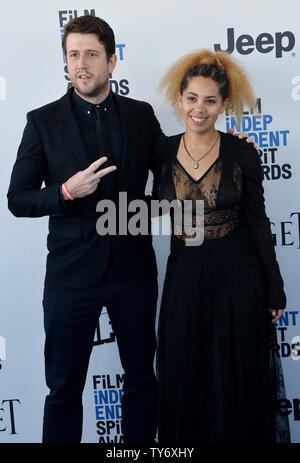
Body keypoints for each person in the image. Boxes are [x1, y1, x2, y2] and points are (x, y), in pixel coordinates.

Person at [7, 16, 255, 443]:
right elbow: (17, 199)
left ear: (112, 61)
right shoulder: (42, 122)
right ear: (65, 62)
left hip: (133, 274)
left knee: (142, 380)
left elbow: (178, 164)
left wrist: (227, 149)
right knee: (63, 389)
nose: (81, 64)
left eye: (91, 54)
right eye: (73, 55)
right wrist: (66, 189)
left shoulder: (140, 116)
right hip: (71, 277)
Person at [156, 49, 290, 443]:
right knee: (185, 374)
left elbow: (257, 222)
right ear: (179, 100)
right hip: (183, 279)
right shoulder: (159, 151)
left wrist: (274, 286)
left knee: (236, 376)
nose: (200, 109)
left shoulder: (242, 152)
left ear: (224, 104)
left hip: (238, 279)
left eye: (210, 101)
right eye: (192, 99)